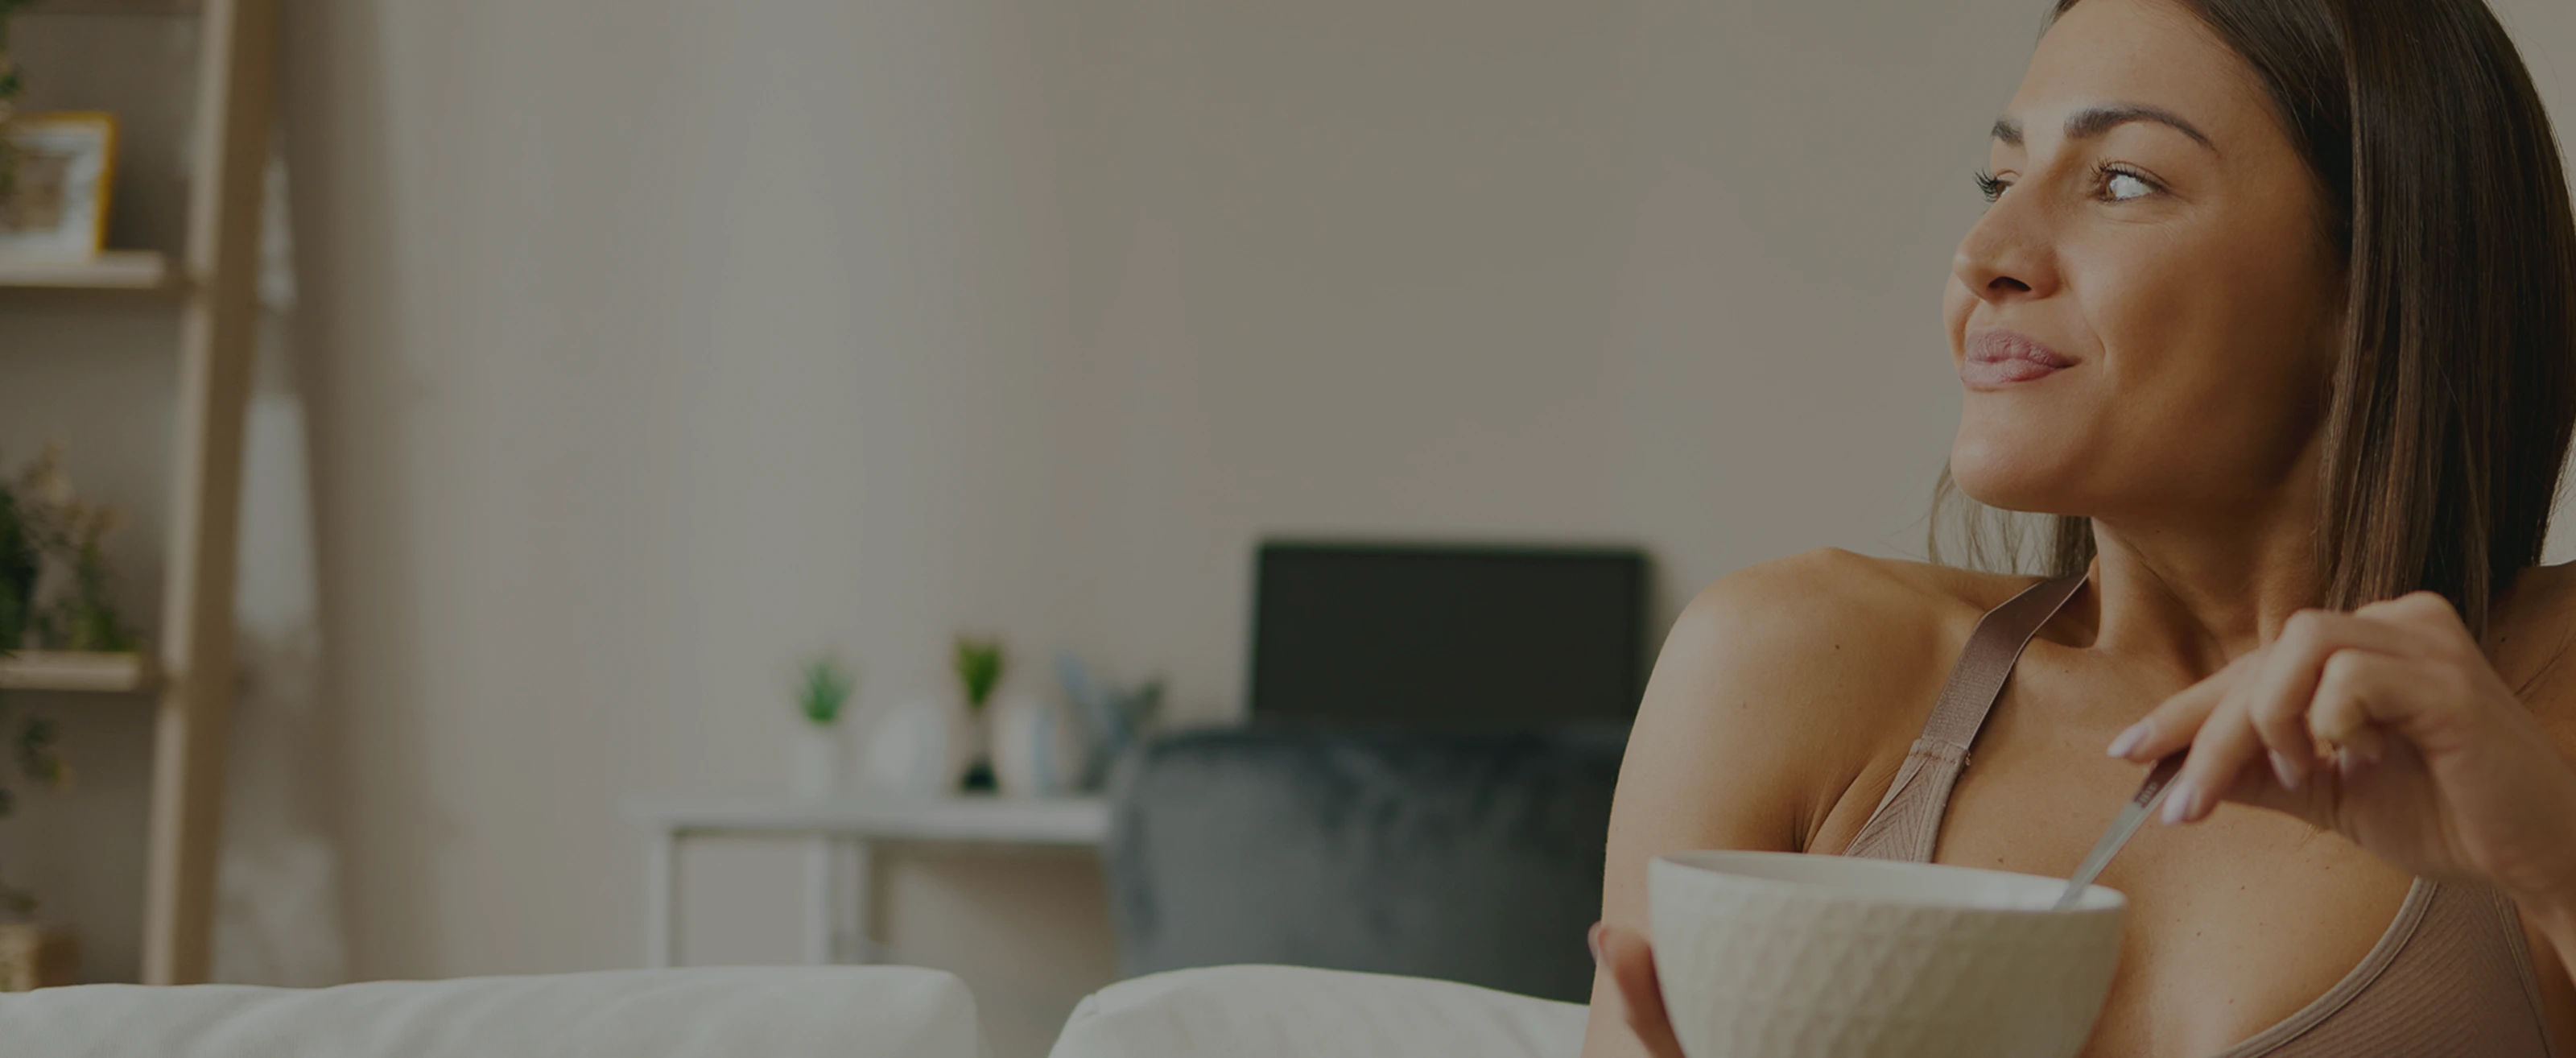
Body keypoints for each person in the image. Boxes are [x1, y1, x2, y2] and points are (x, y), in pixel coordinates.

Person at [1579, 0, 2576, 1054]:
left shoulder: (2535, 719)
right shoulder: (1786, 668)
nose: (1987, 251)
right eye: (2001, 181)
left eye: (2124, 180)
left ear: (2373, 275)